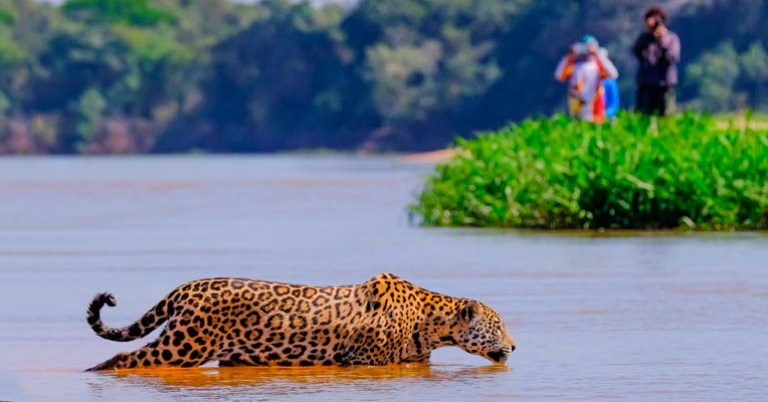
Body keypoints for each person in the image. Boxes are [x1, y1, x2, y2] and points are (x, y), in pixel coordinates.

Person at [555, 35, 619, 123]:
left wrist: (597, 54)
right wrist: (569, 56)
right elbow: (559, 76)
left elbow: (613, 74)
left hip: (596, 110)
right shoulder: (574, 66)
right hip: (577, 110)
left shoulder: (598, 66)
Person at [632, 5, 681, 116]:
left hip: (665, 84)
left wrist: (662, 40)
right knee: (643, 115)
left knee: (666, 115)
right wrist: (647, 36)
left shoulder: (671, 38)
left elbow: (672, 58)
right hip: (646, 83)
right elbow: (636, 52)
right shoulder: (644, 38)